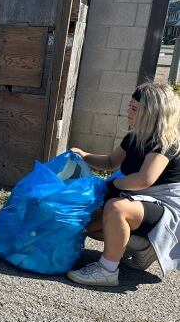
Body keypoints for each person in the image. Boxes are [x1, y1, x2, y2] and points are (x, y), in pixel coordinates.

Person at [68, 81, 180, 287]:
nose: (128, 111)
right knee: (89, 224)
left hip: (166, 207)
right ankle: (143, 248)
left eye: (135, 108)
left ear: (152, 114)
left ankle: (107, 270)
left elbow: (144, 180)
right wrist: (84, 155)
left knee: (116, 208)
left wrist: (114, 185)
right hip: (141, 200)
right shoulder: (133, 137)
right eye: (130, 105)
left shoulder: (165, 142)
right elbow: (111, 162)